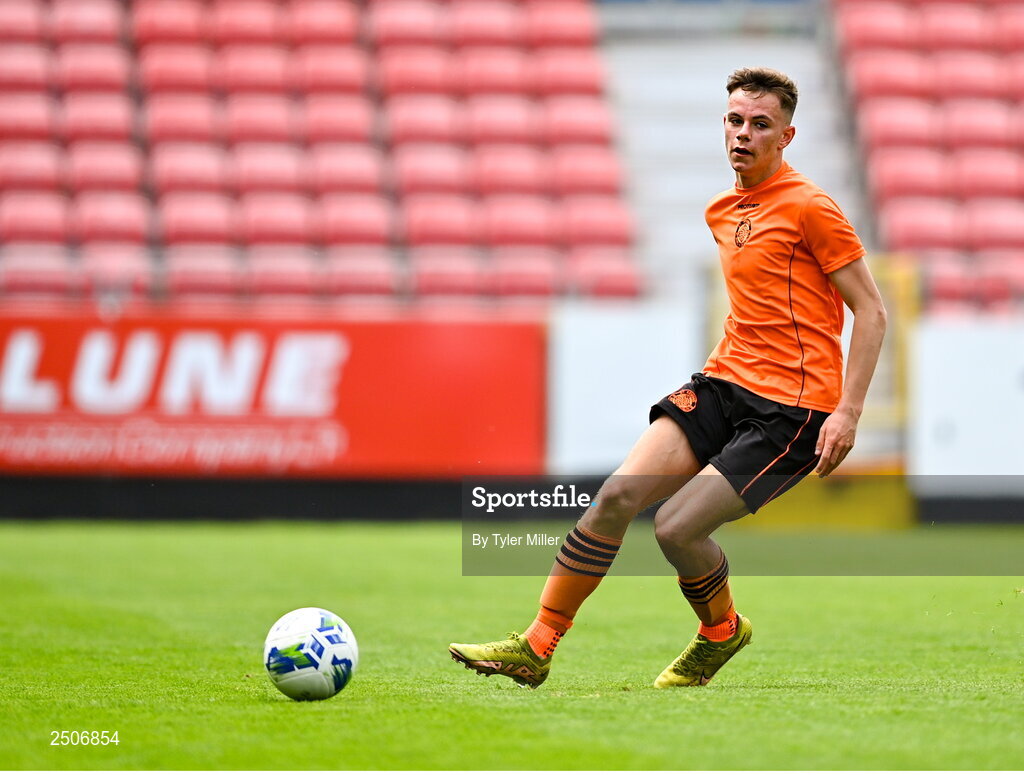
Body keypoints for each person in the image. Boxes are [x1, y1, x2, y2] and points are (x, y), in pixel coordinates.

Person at [449, 67, 887, 689]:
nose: (743, 134)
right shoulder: (722, 208)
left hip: (792, 410)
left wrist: (848, 411)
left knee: (676, 527)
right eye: (734, 120)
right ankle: (536, 646)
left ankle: (721, 631)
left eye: (760, 124)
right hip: (723, 383)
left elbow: (871, 310)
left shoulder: (812, 208)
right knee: (614, 498)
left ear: (787, 136)